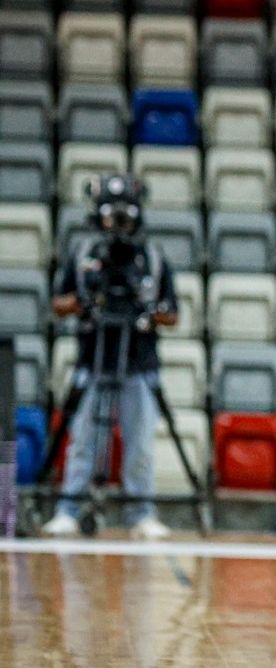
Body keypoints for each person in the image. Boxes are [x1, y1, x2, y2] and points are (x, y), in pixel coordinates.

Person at [41, 175, 180, 541]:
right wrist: (87, 302)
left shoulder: (152, 258)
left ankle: (141, 514)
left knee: (140, 443)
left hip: (139, 363)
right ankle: (68, 510)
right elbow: (59, 303)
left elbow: (172, 314)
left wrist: (146, 308)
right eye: (110, 215)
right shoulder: (85, 255)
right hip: (93, 359)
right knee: (83, 438)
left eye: (124, 216)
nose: (117, 224)